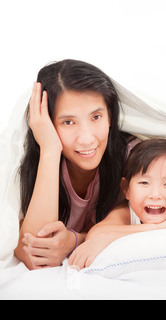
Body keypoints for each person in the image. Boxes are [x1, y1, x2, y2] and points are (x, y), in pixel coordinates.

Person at [15, 59, 138, 269]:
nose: (87, 138)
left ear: (110, 116)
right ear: (46, 123)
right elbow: (33, 255)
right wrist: (50, 150)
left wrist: (73, 240)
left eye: (96, 117)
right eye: (68, 122)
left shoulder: (131, 156)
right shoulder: (31, 162)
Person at [68, 138, 166, 269]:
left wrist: (109, 238)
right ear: (126, 189)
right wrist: (158, 227)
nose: (155, 195)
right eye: (144, 182)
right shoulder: (127, 212)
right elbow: (95, 234)